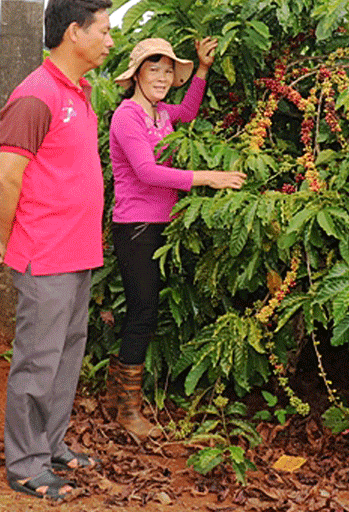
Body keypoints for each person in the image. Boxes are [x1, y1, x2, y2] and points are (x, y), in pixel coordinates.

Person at [0, 0, 114, 501]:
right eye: (103, 31)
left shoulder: (78, 94)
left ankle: (51, 445)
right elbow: (5, 180)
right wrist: (9, 234)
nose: (110, 41)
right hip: (46, 253)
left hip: (78, 250)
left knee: (66, 356)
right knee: (38, 361)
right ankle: (25, 463)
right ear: (74, 32)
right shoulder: (37, 95)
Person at [107, 37, 246, 440]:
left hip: (163, 226)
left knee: (147, 313)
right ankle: (127, 411)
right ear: (136, 74)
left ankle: (128, 401)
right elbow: (148, 172)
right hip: (136, 227)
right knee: (142, 314)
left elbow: (187, 111)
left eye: (169, 71)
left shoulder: (160, 113)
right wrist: (208, 177)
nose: (164, 78)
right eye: (155, 70)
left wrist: (201, 69)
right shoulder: (127, 116)